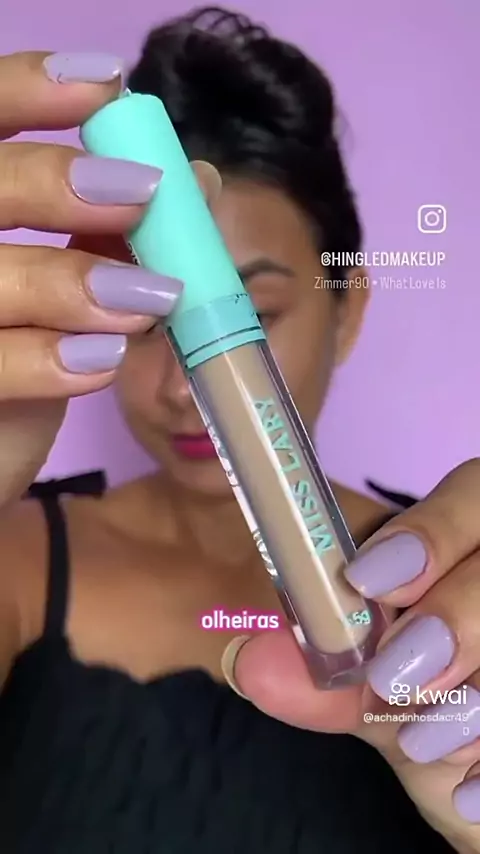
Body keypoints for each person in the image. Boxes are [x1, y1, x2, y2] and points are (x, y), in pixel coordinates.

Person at [0, 6, 479, 853]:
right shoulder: (16, 556)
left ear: (346, 310)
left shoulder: (445, 594)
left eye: (256, 310)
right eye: (145, 324)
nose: (183, 390)